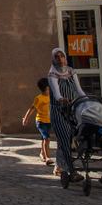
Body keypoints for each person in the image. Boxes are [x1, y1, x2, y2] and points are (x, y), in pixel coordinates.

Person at [48, 47, 85, 180]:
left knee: (68, 139)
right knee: (64, 139)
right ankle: (72, 171)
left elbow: (79, 90)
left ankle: (58, 166)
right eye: (57, 57)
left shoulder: (71, 71)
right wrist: (61, 99)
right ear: (53, 59)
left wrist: (87, 100)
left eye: (62, 56)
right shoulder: (52, 74)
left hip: (72, 109)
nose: (60, 59)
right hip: (59, 111)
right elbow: (56, 92)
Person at [22, 77, 53, 166]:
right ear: (44, 89)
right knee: (47, 139)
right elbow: (31, 109)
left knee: (44, 139)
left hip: (49, 121)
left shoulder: (51, 97)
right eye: (48, 89)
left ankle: (42, 153)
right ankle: (47, 157)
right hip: (41, 122)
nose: (49, 90)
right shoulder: (39, 98)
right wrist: (25, 118)